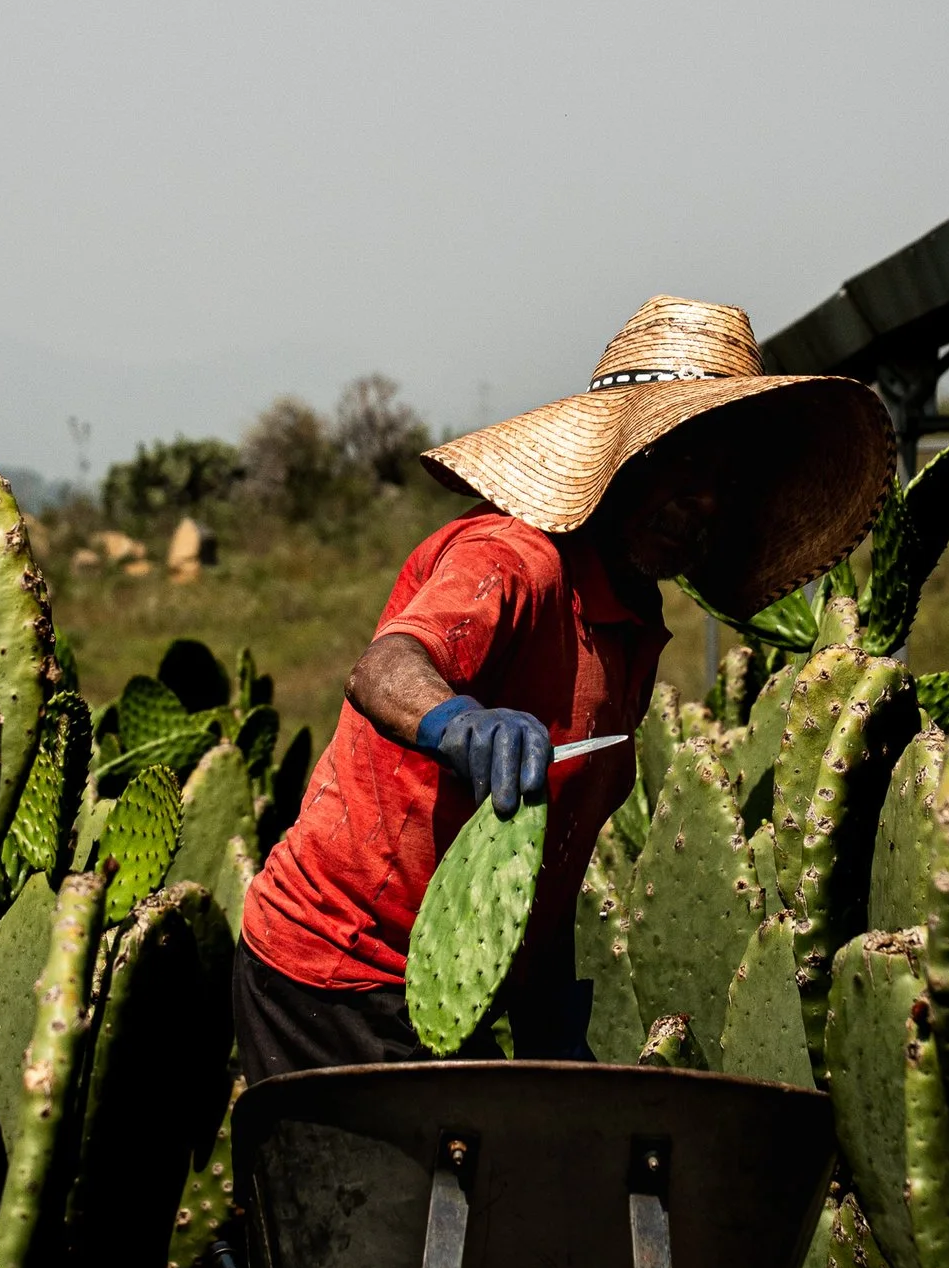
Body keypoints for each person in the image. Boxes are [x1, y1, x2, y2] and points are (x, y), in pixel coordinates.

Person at [234, 296, 895, 1083]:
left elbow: (551, 852)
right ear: (620, 457)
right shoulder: (514, 561)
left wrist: (550, 1012)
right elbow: (383, 668)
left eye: (726, 478)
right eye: (682, 461)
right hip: (337, 970)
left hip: (453, 985)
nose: (704, 500)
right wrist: (457, 723)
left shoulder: (632, 627)